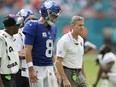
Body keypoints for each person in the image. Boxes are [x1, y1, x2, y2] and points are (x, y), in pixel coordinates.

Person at [22, 1, 61, 87]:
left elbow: (51, 52)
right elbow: (27, 49)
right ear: (45, 12)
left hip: (49, 67)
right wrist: (31, 69)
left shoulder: (53, 28)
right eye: (53, 15)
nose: (54, 18)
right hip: (37, 67)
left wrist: (56, 71)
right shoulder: (33, 25)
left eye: (56, 16)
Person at [56, 15, 88, 87]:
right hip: (68, 73)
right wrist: (64, 79)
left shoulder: (81, 39)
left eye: (83, 25)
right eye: (79, 25)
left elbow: (80, 60)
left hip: (79, 73)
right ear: (72, 26)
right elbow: (58, 62)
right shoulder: (64, 40)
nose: (82, 27)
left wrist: (84, 78)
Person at [14, 9, 37, 87]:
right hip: (20, 70)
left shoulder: (27, 33)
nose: (18, 22)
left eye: (20, 19)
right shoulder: (17, 34)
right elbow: (15, 53)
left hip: (29, 69)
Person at [0, 14, 23, 87]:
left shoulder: (11, 37)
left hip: (12, 77)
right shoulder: (1, 39)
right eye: (17, 25)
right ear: (11, 27)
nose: (19, 27)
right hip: (4, 78)